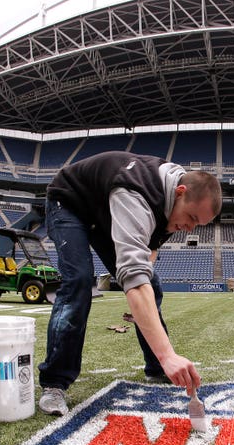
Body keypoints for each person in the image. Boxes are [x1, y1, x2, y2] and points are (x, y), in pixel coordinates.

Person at [37, 151, 222, 415]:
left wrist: (143, 302)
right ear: (180, 192)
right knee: (78, 281)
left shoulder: (174, 204)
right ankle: (55, 382)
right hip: (71, 203)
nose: (191, 228)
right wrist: (168, 354)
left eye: (198, 224)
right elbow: (134, 280)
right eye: (192, 218)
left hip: (104, 213)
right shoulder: (136, 197)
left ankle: (157, 369)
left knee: (153, 286)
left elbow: (148, 256)